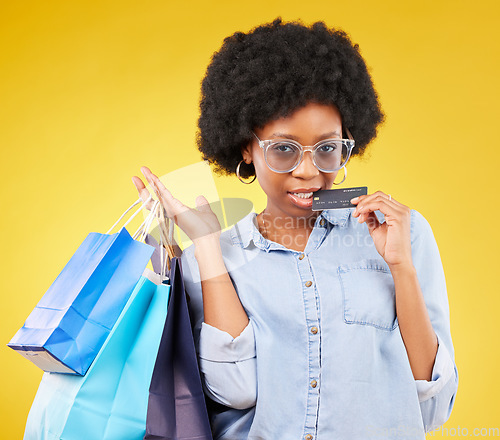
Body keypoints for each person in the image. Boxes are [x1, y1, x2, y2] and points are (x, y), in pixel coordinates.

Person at [132, 17, 458, 440]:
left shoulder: (404, 236)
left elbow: (431, 408)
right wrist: (209, 247)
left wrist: (400, 267)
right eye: (283, 149)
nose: (308, 171)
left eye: (327, 149)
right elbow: (235, 392)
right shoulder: (209, 257)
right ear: (246, 148)